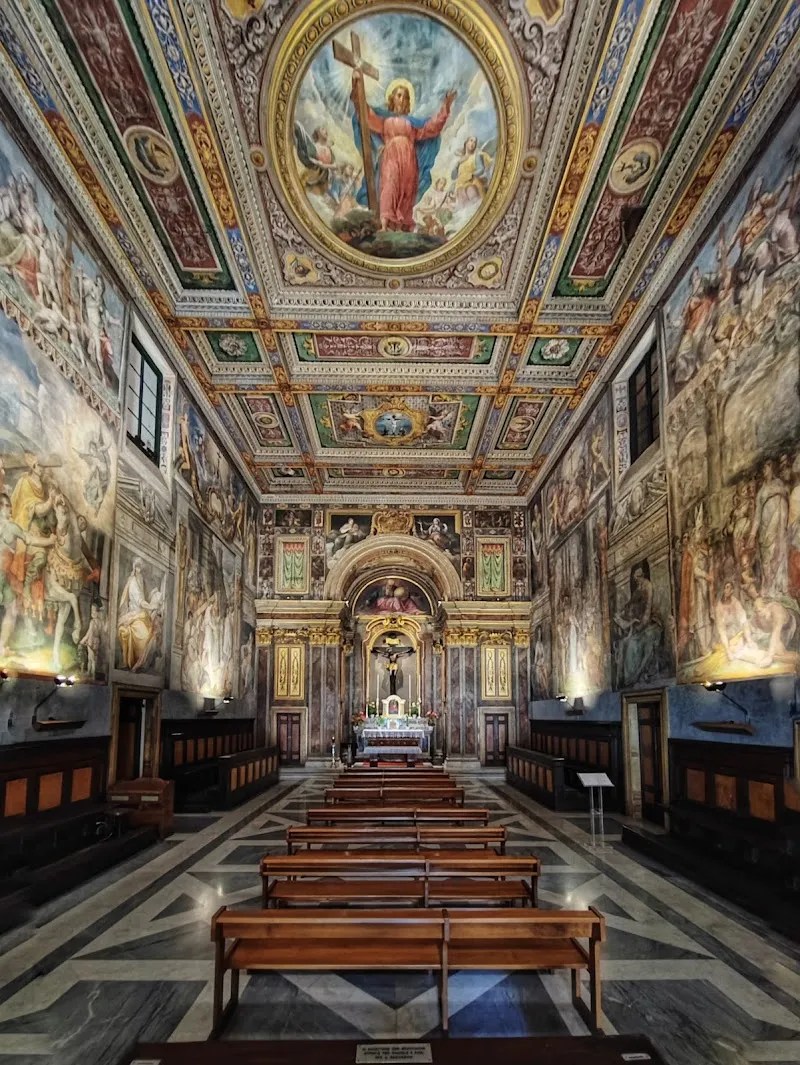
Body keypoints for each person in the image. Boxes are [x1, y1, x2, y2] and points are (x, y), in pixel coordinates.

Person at [351, 71, 456, 232]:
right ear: (392, 98)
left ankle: (400, 226)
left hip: (409, 158)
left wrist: (446, 107)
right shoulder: (385, 121)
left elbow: (430, 128)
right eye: (399, 95)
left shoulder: (412, 124)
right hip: (392, 155)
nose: (402, 99)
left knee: (407, 190)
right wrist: (357, 87)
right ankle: (385, 224)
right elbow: (367, 115)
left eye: (405, 96)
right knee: (389, 186)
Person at [614, 562, 663, 687]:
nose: (636, 580)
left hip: (649, 624)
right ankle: (626, 680)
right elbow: (628, 606)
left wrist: (639, 627)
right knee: (624, 644)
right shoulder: (637, 590)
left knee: (631, 644)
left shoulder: (648, 586)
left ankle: (632, 677)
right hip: (636, 626)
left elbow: (647, 612)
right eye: (635, 577)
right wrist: (621, 617)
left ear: (643, 575)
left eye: (639, 576)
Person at [749, 459, 789, 598]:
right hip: (765, 530)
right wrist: (752, 535)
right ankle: (769, 585)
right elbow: (757, 516)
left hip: (777, 526)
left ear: (771, 467)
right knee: (766, 558)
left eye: (766, 467)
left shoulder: (779, 484)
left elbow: (783, 502)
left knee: (777, 555)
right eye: (763, 468)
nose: (764, 470)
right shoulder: (761, 492)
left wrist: (781, 523)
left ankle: (777, 588)